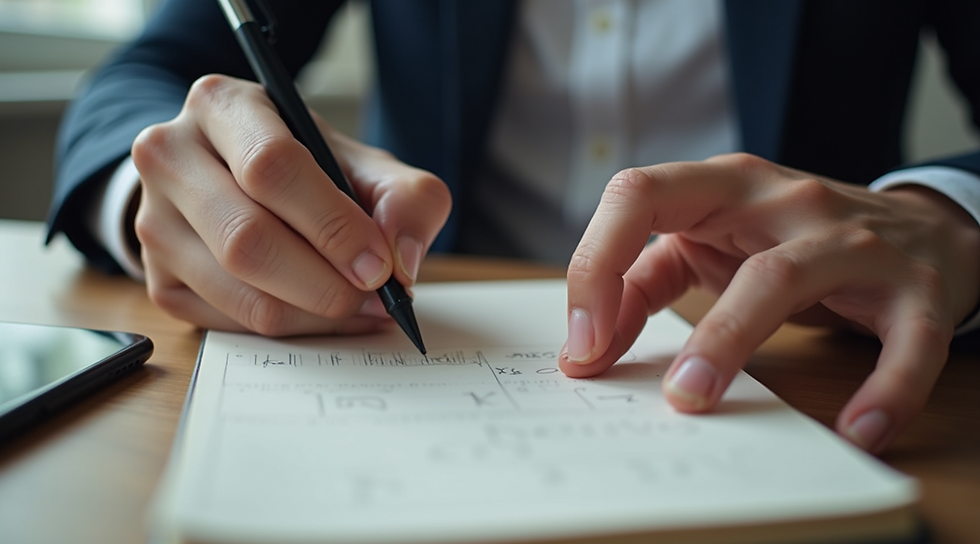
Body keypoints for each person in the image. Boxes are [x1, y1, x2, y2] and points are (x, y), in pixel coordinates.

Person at [47, 0, 980, 454]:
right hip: (416, 340)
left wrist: (947, 213)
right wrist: (156, 199)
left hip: (811, 355)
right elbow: (154, 68)